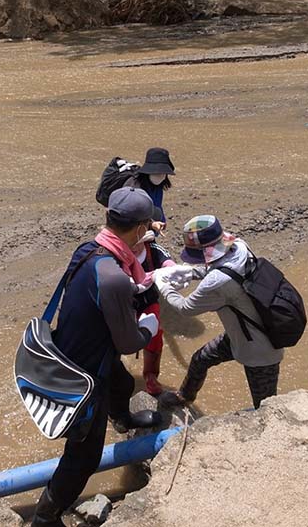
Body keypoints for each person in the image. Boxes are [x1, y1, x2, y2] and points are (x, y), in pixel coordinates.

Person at [31, 187, 163, 527]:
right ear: (137, 230)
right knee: (84, 457)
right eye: (146, 227)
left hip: (68, 349)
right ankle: (46, 515)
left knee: (121, 381)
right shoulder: (116, 277)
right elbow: (125, 341)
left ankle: (122, 417)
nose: (148, 233)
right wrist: (148, 327)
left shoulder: (91, 251)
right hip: (86, 375)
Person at [156, 215, 283, 410]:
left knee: (265, 405)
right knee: (201, 358)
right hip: (242, 332)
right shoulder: (240, 246)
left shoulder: (217, 282)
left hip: (260, 349)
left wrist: (165, 288)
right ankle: (185, 396)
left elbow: (186, 307)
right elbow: (221, 268)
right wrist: (191, 272)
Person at [132, 226, 176, 396]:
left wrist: (171, 270)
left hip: (148, 301)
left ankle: (151, 375)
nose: (135, 247)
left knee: (155, 335)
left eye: (139, 243)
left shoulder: (153, 249)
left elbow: (168, 263)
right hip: (123, 303)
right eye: (132, 243)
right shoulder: (117, 251)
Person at [125, 147, 175, 233]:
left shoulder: (158, 186)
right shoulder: (134, 188)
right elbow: (129, 217)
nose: (160, 176)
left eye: (163, 173)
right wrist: (151, 225)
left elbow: (158, 205)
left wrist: (162, 222)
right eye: (157, 173)